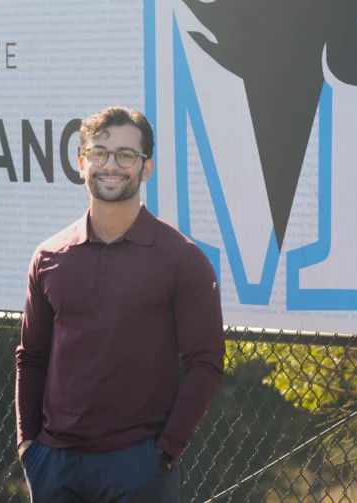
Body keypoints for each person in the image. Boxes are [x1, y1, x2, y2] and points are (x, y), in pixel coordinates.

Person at [15, 106, 226, 502]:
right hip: (55, 465)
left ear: (146, 168)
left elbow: (207, 362)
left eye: (126, 155)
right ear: (82, 163)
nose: (111, 165)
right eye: (99, 153)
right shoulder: (49, 256)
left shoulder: (182, 259)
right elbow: (32, 357)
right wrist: (29, 447)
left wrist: (163, 455)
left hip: (138, 466)